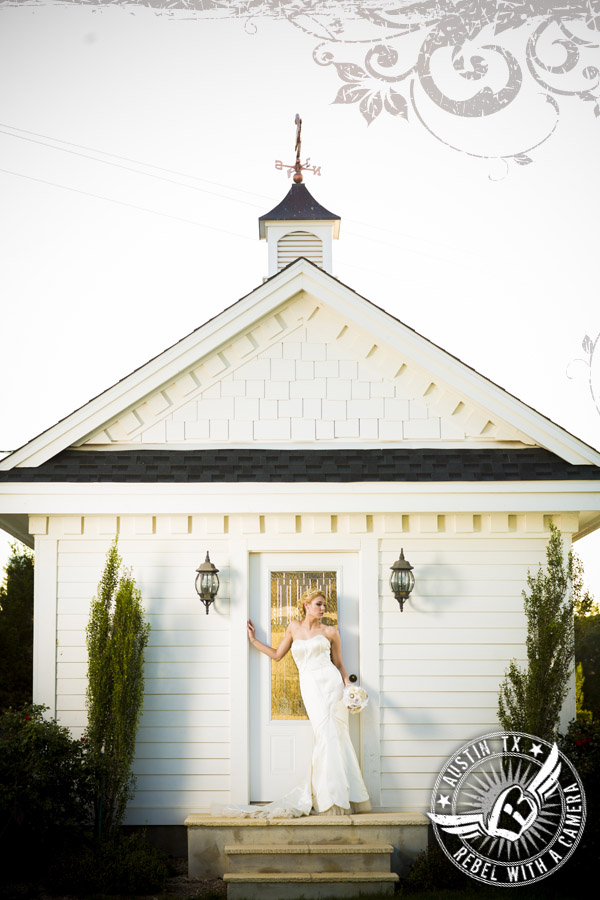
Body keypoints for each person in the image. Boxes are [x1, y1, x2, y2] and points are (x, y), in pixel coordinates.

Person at [239, 588, 371, 818]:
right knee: (324, 735)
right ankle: (326, 794)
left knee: (336, 736)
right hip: (310, 685)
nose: (322, 609)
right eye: (319, 604)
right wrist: (253, 640)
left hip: (331, 685)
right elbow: (277, 655)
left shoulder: (331, 631)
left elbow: (339, 664)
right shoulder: (293, 627)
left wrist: (348, 689)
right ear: (306, 605)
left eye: (324, 606)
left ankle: (337, 798)